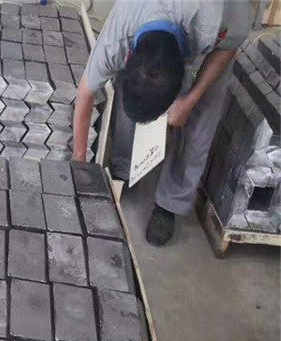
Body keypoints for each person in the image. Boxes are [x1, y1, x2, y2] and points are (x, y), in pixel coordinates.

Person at [72, 0, 252, 246]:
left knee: (202, 117)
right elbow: (85, 93)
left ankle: (170, 204)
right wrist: (79, 161)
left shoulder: (226, 15)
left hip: (217, 31)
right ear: (128, 55)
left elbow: (227, 49)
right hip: (153, 20)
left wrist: (189, 100)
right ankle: (124, 170)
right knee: (136, 92)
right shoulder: (119, 34)